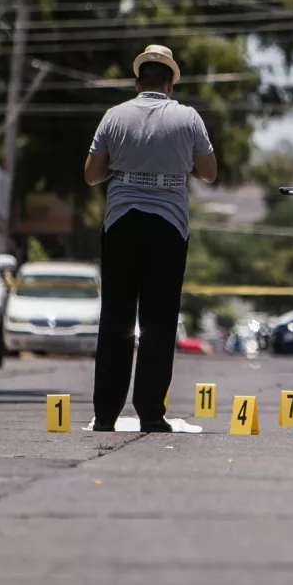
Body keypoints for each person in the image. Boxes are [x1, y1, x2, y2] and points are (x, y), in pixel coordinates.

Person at [83, 44, 217, 432]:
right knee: (159, 320)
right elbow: (209, 172)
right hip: (169, 226)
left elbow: (92, 174)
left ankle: (105, 413)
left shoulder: (114, 116)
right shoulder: (188, 118)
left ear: (138, 82)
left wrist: (122, 169)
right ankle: (151, 413)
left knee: (116, 317)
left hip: (121, 222)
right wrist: (180, 164)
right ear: (171, 84)